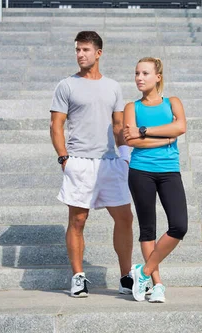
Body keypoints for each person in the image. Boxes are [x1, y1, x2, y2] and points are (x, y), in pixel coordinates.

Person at [50, 31, 134, 298]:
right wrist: (64, 157)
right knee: (78, 220)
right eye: (77, 50)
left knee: (125, 218)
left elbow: (119, 125)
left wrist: (125, 156)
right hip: (79, 161)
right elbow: (56, 125)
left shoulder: (113, 86)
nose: (80, 54)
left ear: (98, 53)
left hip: (111, 162)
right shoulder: (66, 85)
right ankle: (77, 277)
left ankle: (125, 277)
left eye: (85, 50)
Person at [123, 57, 188, 303]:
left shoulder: (173, 103)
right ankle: (157, 285)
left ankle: (144, 271)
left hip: (169, 171)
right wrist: (165, 137)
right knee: (147, 228)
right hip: (140, 171)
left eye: (145, 73)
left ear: (158, 77)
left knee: (179, 225)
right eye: (137, 73)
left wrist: (145, 131)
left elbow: (180, 127)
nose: (140, 78)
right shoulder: (132, 107)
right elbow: (131, 141)